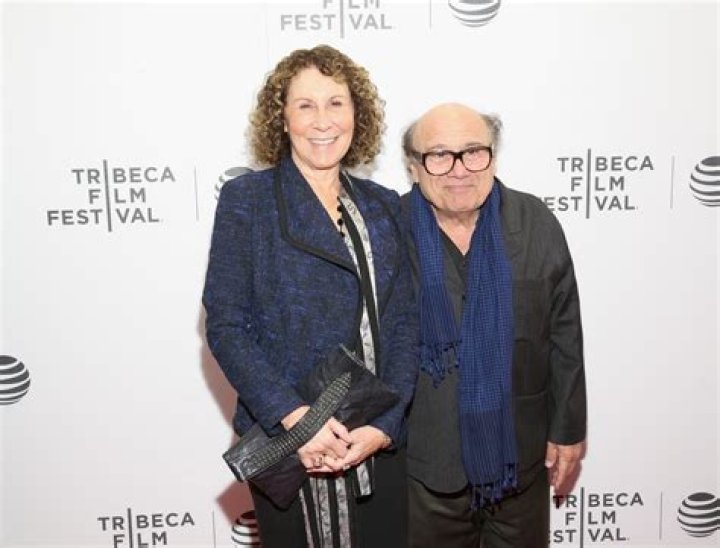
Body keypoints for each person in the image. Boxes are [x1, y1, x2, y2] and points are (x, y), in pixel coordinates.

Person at [202, 45, 418, 548]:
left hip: (375, 445)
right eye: (305, 105)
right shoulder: (248, 201)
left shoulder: (384, 205)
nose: (323, 120)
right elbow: (226, 327)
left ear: (356, 114)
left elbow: (406, 323)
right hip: (292, 443)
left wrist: (386, 426)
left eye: (336, 103)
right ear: (282, 119)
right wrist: (299, 420)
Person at [401, 103, 587, 547]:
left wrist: (568, 429)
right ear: (413, 168)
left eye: (473, 152)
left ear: (492, 158)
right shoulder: (388, 229)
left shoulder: (535, 222)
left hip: (519, 459)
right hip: (424, 466)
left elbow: (564, 333)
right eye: (439, 155)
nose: (459, 169)